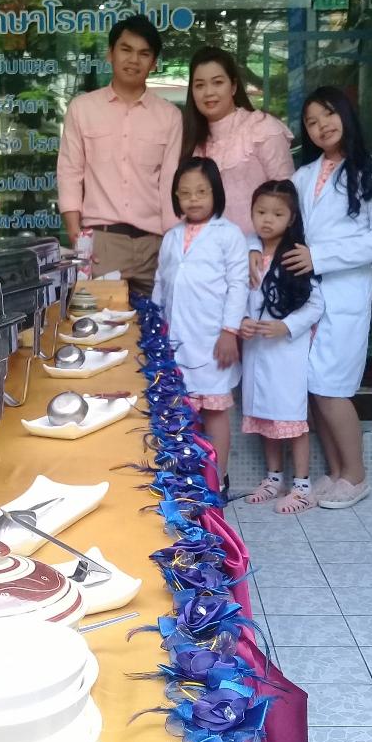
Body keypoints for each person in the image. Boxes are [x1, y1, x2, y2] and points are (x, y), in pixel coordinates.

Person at [278, 86, 372, 510]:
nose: (321, 126)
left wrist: (321, 257)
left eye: (328, 115)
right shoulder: (304, 176)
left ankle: (356, 476)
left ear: (346, 115)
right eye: (311, 122)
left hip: (345, 291)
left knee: (332, 388)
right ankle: (334, 472)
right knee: (313, 387)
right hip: (307, 294)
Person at [57, 15, 182, 296]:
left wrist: (171, 243)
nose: (134, 60)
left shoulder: (170, 116)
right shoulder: (83, 109)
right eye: (126, 50)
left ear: (154, 63)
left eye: (144, 53)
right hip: (102, 243)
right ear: (110, 53)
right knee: (101, 322)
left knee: (158, 322)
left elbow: (170, 182)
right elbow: (70, 173)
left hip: (154, 244)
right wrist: (78, 238)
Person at [152, 157, 249, 494]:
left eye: (201, 191)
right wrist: (155, 328)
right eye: (185, 193)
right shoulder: (171, 237)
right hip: (175, 341)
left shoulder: (229, 234)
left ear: (216, 193)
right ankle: (185, 481)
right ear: (176, 197)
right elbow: (160, 284)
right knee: (180, 411)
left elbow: (239, 285)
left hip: (213, 342)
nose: (193, 199)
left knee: (215, 412)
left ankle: (217, 480)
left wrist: (229, 332)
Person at [240, 180, 325, 515]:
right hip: (256, 350)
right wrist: (243, 321)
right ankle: (274, 479)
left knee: (291, 419)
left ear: (291, 219)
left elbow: (316, 304)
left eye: (277, 214)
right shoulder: (249, 255)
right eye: (261, 212)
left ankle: (302, 487)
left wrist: (286, 326)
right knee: (266, 419)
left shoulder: (295, 257)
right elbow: (239, 297)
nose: (267, 219)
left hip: (286, 353)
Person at [182, 47, 294, 236]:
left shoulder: (262, 128)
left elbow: (287, 196)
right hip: (208, 248)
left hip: (258, 248)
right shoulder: (190, 141)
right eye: (199, 85)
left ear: (233, 86)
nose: (208, 92)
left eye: (217, 82)